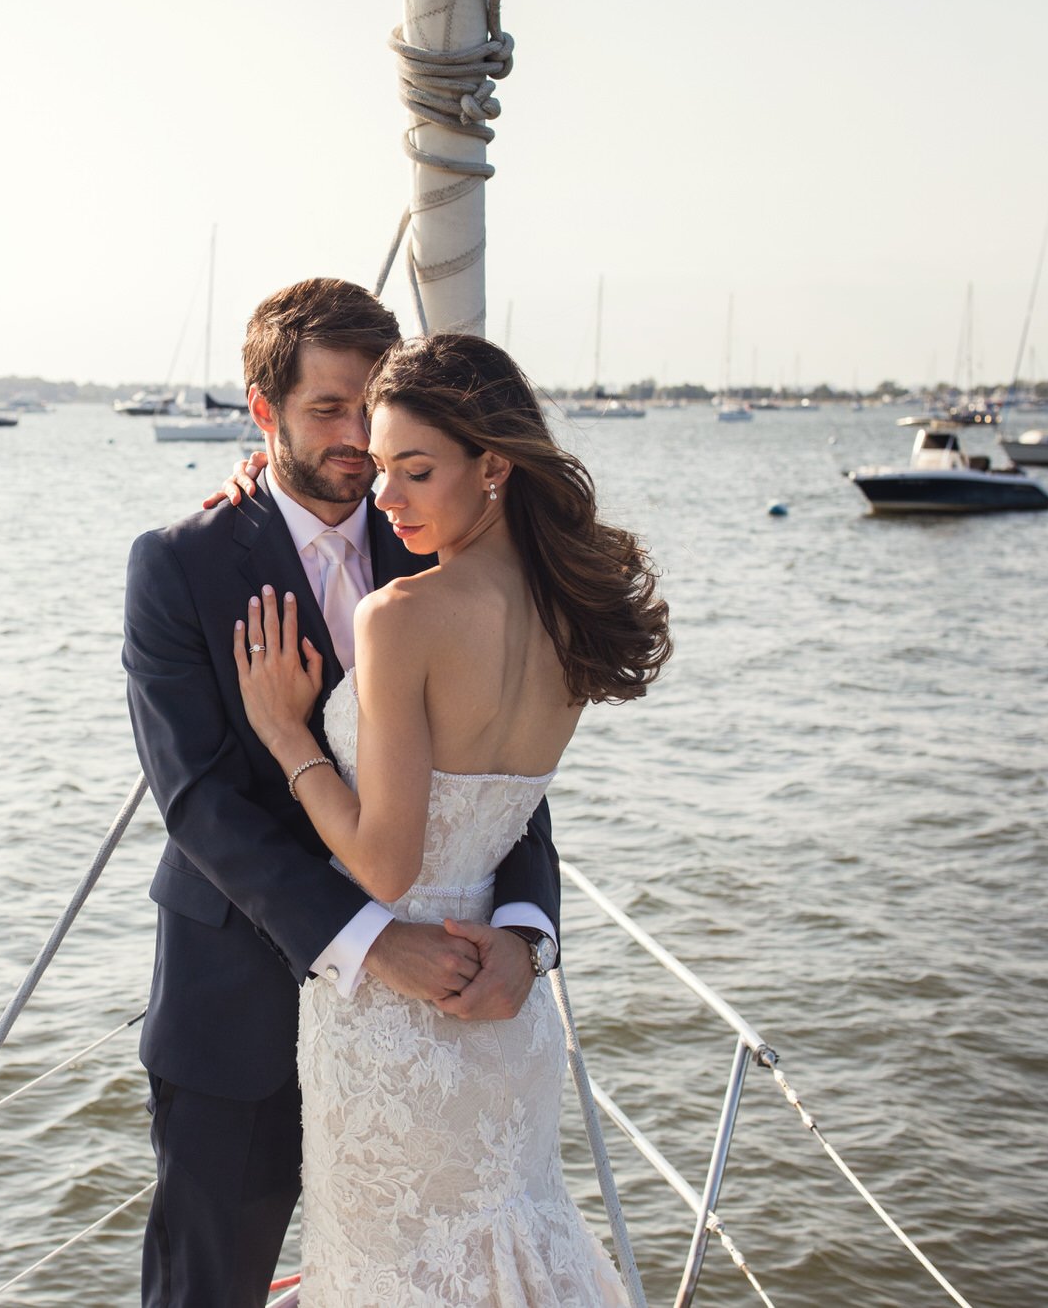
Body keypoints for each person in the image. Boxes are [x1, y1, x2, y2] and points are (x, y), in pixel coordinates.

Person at [122, 280, 562, 1308]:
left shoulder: (432, 534)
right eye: (327, 408)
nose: (359, 440)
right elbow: (197, 804)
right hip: (238, 1011)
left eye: (372, 406)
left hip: (435, 1040)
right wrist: (369, 940)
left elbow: (504, 780)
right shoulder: (177, 566)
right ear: (261, 409)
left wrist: (524, 927)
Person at [232, 333, 670, 1304]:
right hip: (502, 1009)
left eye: (414, 471)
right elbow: (507, 819)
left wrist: (285, 734)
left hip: (392, 1024)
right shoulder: (570, 612)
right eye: (381, 468)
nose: (385, 497)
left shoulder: (400, 617)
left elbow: (384, 865)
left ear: (494, 464)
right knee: (507, 1240)